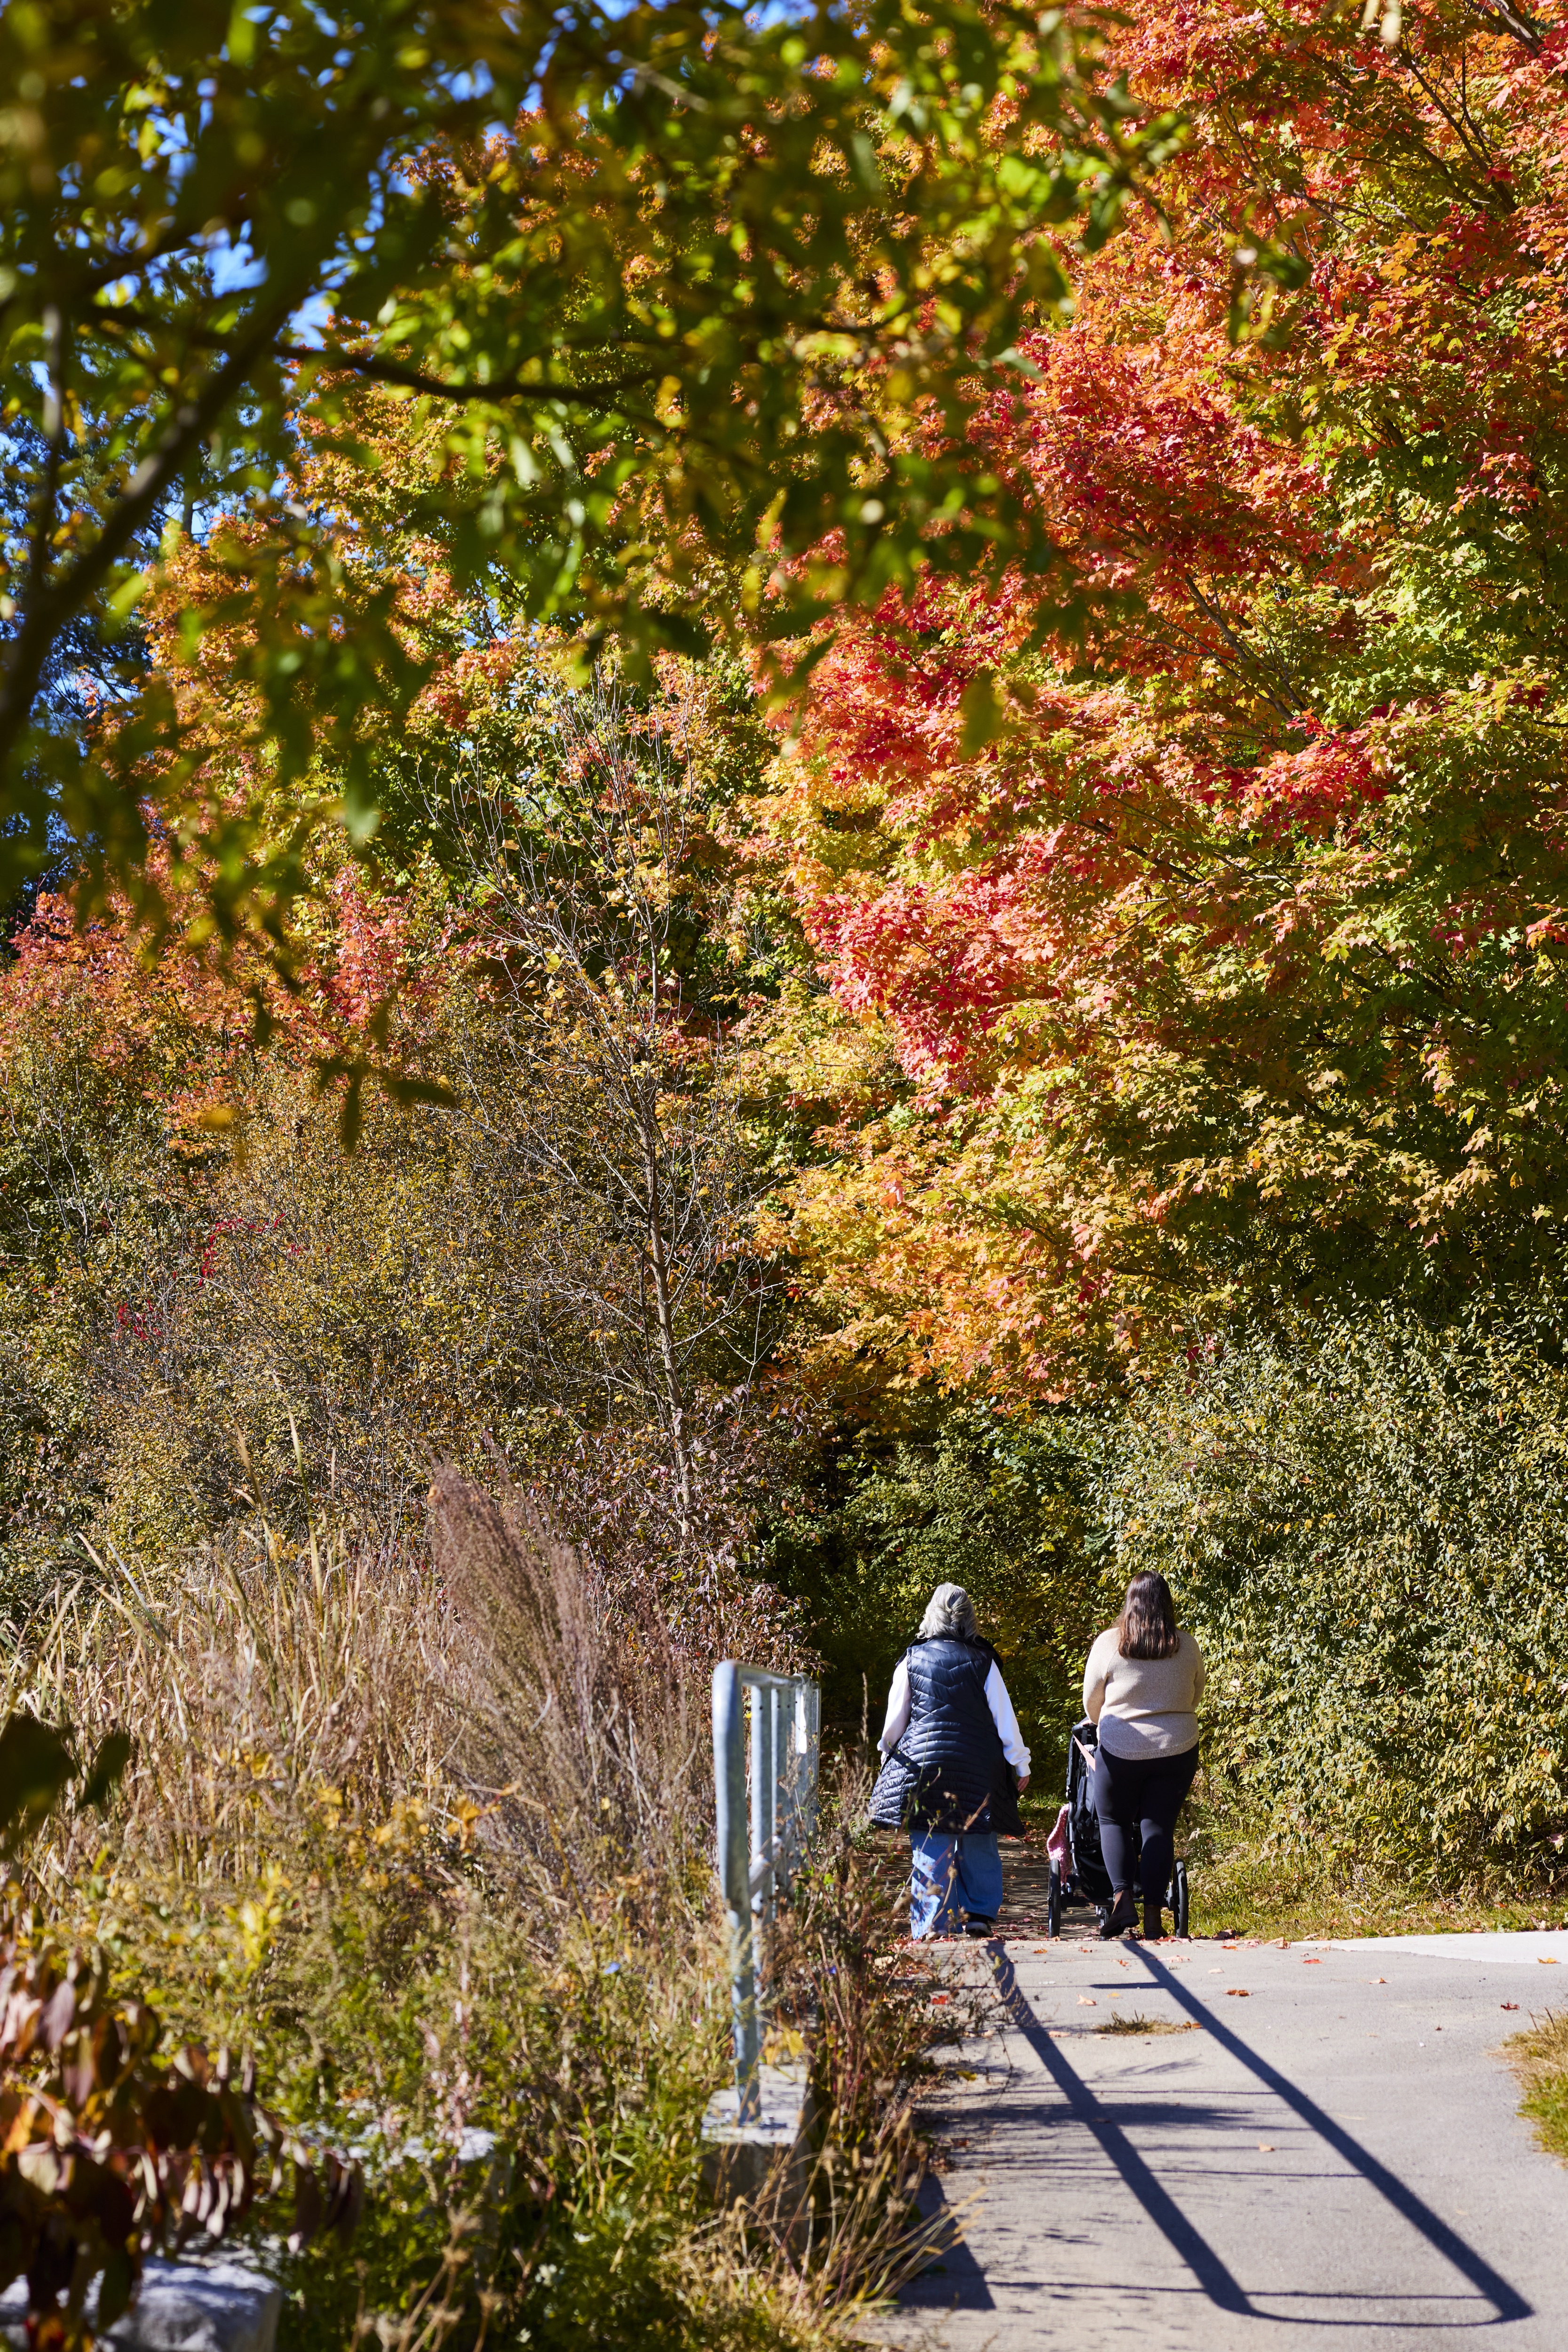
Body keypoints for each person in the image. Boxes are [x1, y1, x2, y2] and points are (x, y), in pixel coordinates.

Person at [868, 1582, 1031, 1940]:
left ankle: (931, 1925)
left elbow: (895, 1722)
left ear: (931, 1614)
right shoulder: (983, 1661)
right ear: (969, 1618)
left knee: (930, 1841)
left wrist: (886, 1757)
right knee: (979, 1837)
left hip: (924, 1765)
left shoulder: (912, 1659)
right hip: (977, 1765)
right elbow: (1005, 1719)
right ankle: (978, 1916)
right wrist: (1021, 1763)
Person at [1082, 1571, 1204, 1941]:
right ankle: (1154, 1915)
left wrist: (1101, 1721)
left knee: (1114, 1820)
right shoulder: (1187, 1645)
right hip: (1177, 1747)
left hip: (1122, 1747)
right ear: (1167, 1604)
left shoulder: (1109, 1644)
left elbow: (1091, 1702)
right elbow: (1196, 1695)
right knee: (1158, 1826)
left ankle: (1123, 1901)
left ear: (1130, 1603)